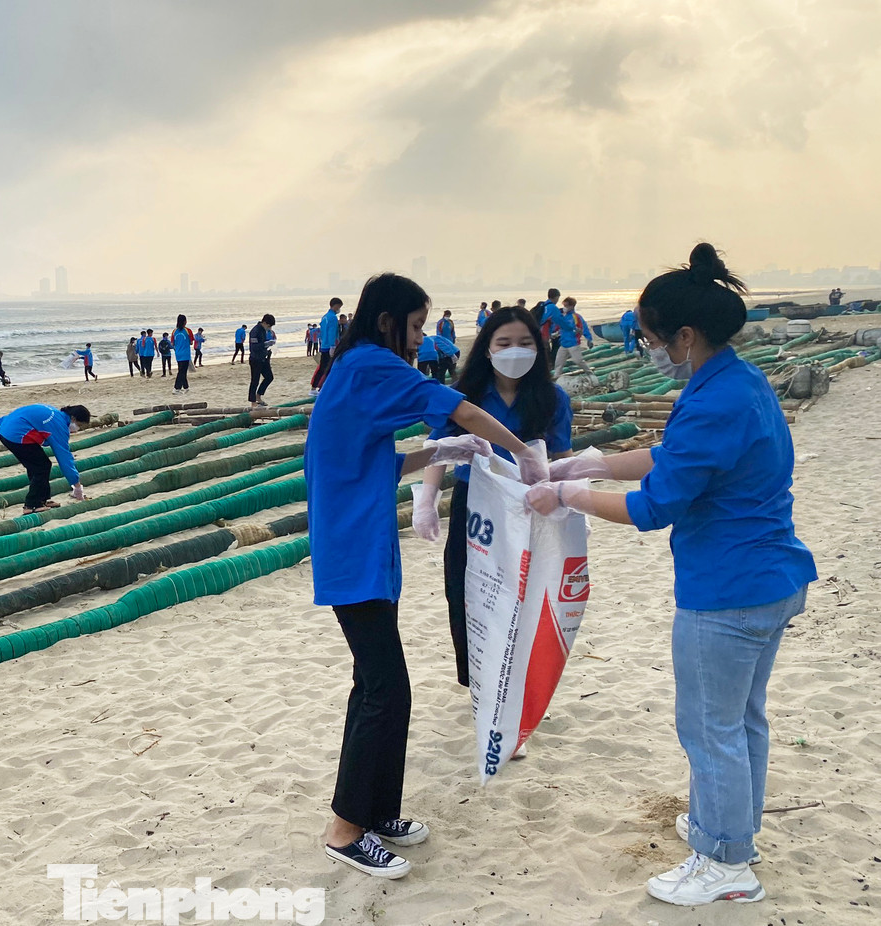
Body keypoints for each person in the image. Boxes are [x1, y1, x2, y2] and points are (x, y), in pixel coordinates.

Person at [528, 243, 816, 907]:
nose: (647, 349)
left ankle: (724, 864)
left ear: (685, 336)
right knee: (740, 720)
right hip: (768, 577)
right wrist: (584, 466)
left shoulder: (716, 402)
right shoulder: (736, 383)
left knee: (709, 728)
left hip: (729, 592)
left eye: (651, 339)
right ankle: (729, 826)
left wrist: (565, 497)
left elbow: (656, 507)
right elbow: (667, 457)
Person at [307, 273, 550, 879]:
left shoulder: (355, 366)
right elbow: (461, 408)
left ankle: (377, 812)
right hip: (352, 550)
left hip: (362, 544)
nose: (419, 339)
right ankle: (344, 829)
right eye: (416, 326)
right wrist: (521, 452)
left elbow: (370, 460)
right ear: (389, 321)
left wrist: (441, 453)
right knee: (383, 690)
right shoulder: (371, 364)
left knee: (383, 687)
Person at [414, 306, 573, 691]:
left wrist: (569, 500)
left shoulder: (552, 399)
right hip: (474, 505)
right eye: (504, 343)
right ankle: (479, 681)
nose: (514, 351)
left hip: (528, 504)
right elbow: (439, 447)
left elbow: (562, 458)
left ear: (539, 348)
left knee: (522, 594)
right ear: (487, 348)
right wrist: (427, 499)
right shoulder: (463, 398)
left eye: (524, 343)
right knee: (465, 589)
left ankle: (514, 685)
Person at [0, 404, 92, 514]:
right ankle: (32, 504)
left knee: (37, 465)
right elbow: (64, 457)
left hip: (9, 432)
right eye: (79, 425)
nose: (77, 429)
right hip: (16, 436)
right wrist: (77, 485)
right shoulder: (59, 425)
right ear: (73, 418)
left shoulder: (54, 412)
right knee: (41, 466)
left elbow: (21, 413)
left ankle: (43, 499)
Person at [546, 297, 596, 376]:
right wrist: (554, 334)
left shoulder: (576, 317)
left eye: (566, 306)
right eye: (564, 305)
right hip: (563, 343)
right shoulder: (563, 316)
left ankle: (590, 373)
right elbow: (559, 327)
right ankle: (556, 378)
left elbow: (584, 328)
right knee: (558, 363)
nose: (564, 307)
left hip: (573, 343)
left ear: (571, 306)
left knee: (578, 361)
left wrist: (589, 339)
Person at [311, 298, 342, 396]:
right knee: (328, 368)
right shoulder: (332, 318)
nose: (339, 309)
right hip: (330, 346)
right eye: (339, 307)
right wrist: (333, 345)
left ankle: (317, 387)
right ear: (335, 305)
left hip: (324, 344)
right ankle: (318, 387)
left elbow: (322, 332)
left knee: (324, 367)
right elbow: (332, 332)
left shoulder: (324, 317)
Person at [247, 314, 275, 407]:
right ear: (264, 323)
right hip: (255, 359)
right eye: (269, 326)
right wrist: (265, 344)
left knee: (269, 377)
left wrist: (270, 344)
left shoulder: (264, 330)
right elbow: (254, 347)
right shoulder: (255, 331)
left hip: (263, 357)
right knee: (255, 380)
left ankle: (258, 396)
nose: (269, 328)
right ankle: (253, 402)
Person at [172, 315, 193, 395]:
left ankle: (186, 387)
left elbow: (172, 343)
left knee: (182, 371)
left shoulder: (174, 331)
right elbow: (191, 342)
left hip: (178, 353)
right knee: (182, 371)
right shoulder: (188, 331)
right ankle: (176, 388)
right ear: (185, 321)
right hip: (185, 353)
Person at [535, 289, 561, 353]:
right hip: (545, 333)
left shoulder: (542, 305)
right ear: (556, 297)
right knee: (549, 352)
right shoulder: (553, 307)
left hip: (537, 331)